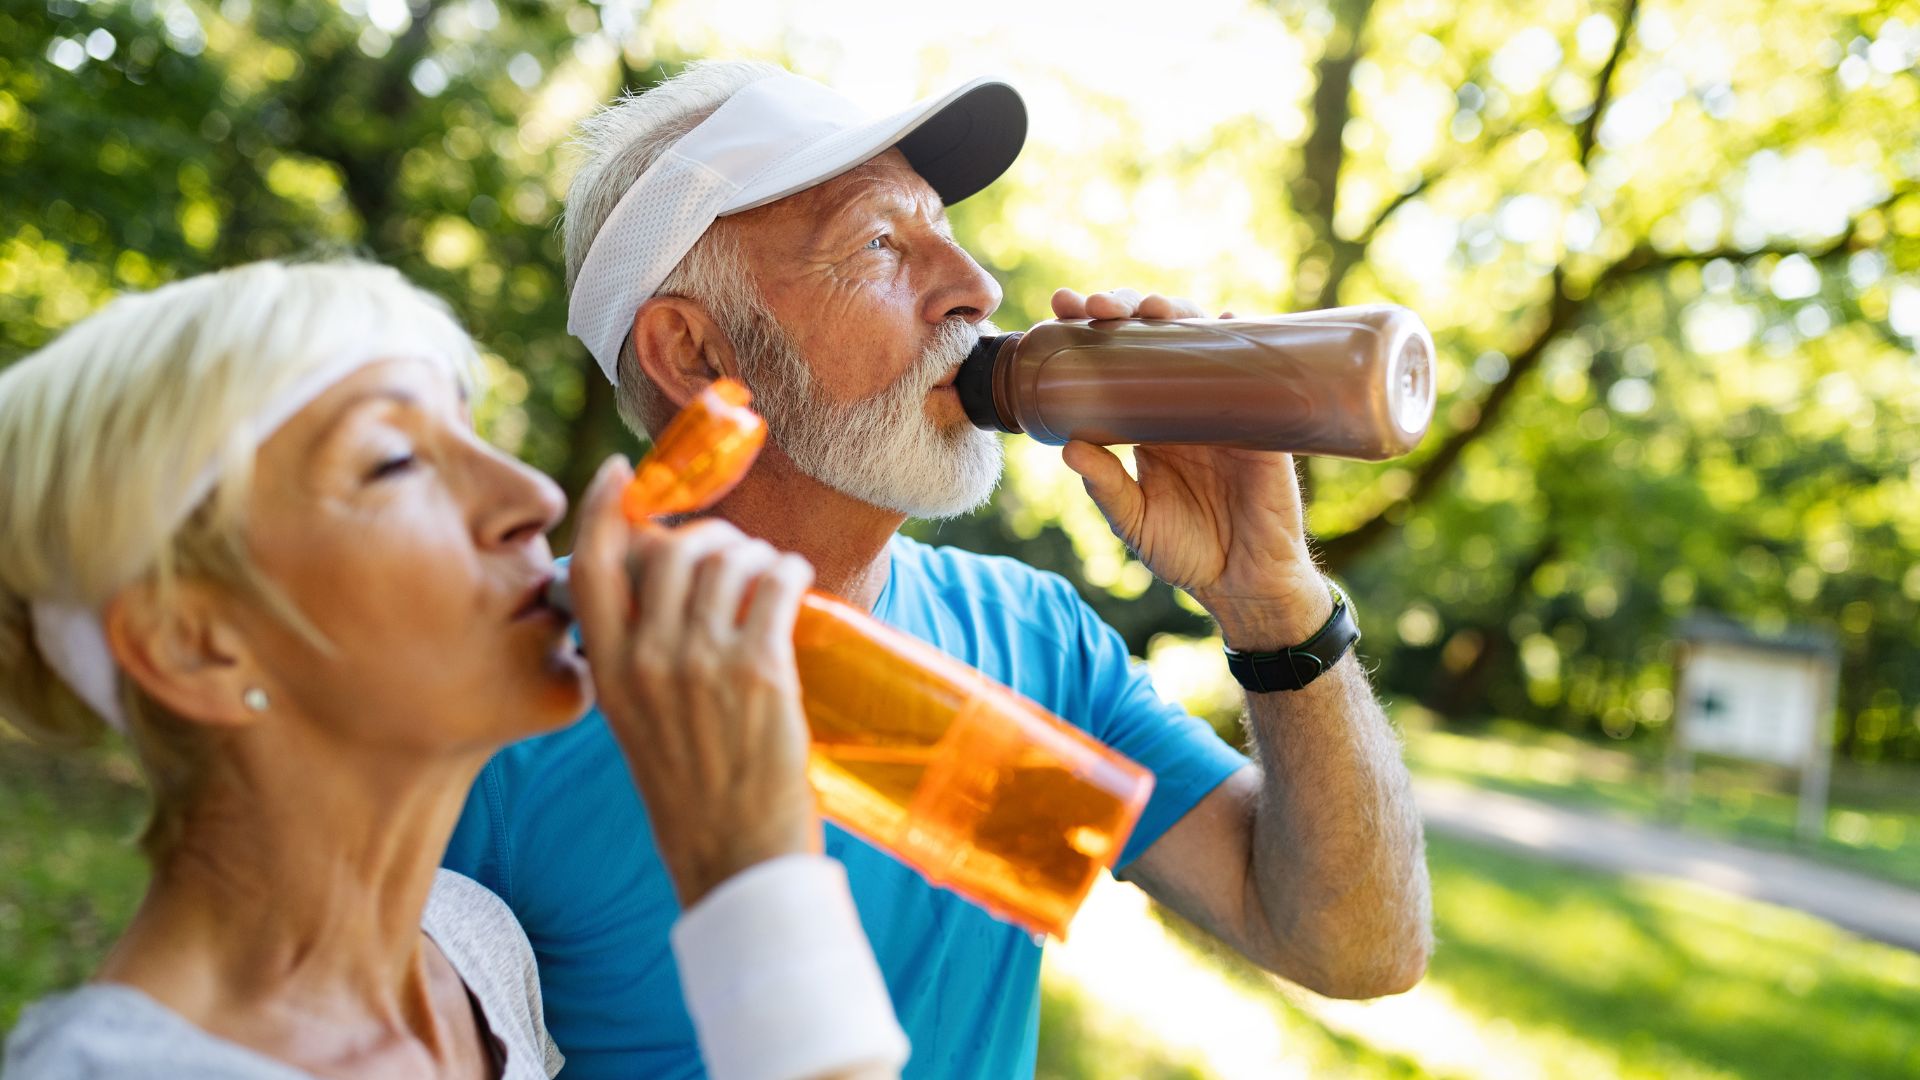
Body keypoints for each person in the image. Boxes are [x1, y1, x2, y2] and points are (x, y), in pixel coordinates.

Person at [445, 61, 1436, 1079]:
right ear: (696, 354)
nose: (977, 289)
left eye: (946, 232)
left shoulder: (1032, 642)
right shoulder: (486, 702)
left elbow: (1349, 947)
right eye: (879, 243)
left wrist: (1272, 600)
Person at [0, 260, 909, 1080]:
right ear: (193, 643)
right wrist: (749, 875)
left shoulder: (473, 952)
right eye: (394, 462)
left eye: (470, 436)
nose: (536, 500)